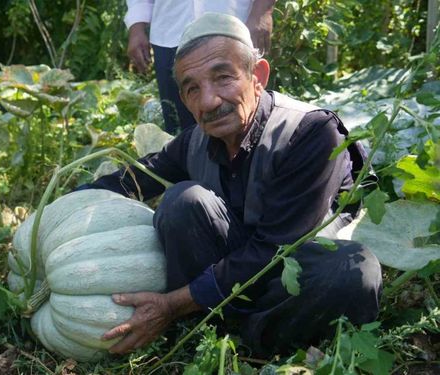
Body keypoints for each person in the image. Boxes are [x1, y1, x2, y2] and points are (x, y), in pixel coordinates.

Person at [80, 13, 382, 356]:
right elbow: (135, 179)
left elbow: (277, 249)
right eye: (192, 88)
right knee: (183, 200)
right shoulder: (195, 140)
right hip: (231, 275)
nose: (208, 101)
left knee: (352, 270)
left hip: (293, 274)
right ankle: (216, 326)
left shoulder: (310, 132)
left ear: (258, 77)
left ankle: (241, 337)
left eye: (223, 77)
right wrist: (63, 206)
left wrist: (172, 304)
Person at [125, 0, 276, 134]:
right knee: (179, 127)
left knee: (248, 121)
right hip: (170, 32)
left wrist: (262, 11)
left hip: (235, 28)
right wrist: (136, 26)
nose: (209, 101)